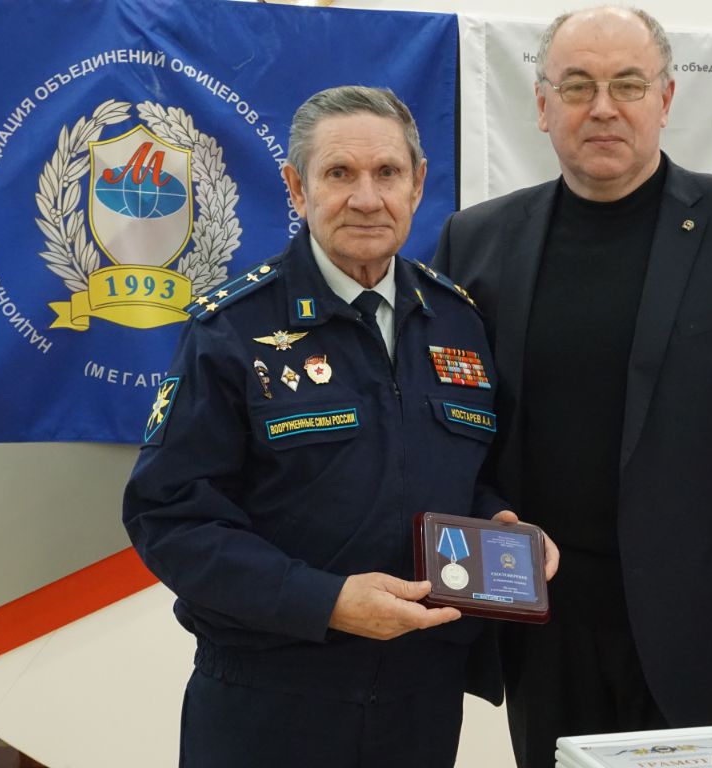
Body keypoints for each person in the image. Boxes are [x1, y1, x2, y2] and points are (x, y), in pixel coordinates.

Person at [433, 7, 712, 767]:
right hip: (542, 623)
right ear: (541, 105)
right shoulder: (477, 240)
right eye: (577, 86)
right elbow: (453, 427)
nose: (602, 107)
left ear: (665, 99)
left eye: (627, 85)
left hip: (708, 628)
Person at [123, 85, 557, 767]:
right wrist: (326, 601)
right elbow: (170, 516)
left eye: (387, 173)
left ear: (417, 185)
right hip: (271, 692)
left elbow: (464, 475)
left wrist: (496, 525)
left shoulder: (456, 320)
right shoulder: (232, 330)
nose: (366, 198)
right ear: (298, 189)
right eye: (339, 173)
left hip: (420, 698)